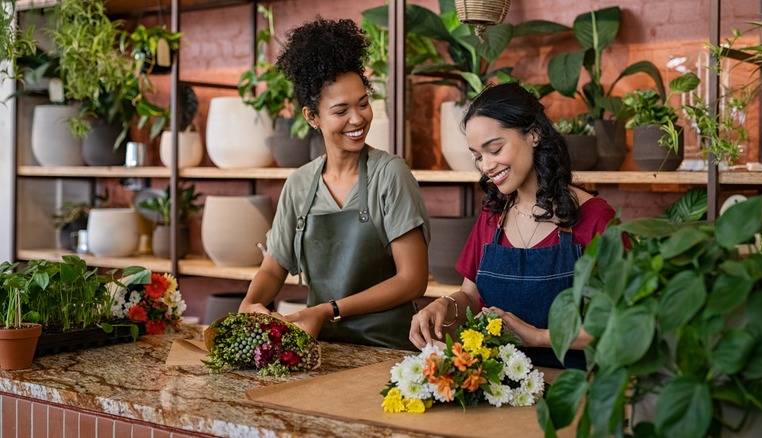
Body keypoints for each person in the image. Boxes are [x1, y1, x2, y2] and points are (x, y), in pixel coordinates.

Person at [239, 17, 430, 351]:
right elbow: (273, 269)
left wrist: (328, 310)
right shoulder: (299, 185)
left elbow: (412, 280)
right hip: (323, 349)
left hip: (387, 350)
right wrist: (249, 305)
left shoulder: (390, 174)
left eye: (363, 103)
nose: (357, 119)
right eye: (341, 110)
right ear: (312, 117)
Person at [409, 82, 617, 368]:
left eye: (495, 149)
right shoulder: (494, 217)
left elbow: (621, 324)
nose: (486, 166)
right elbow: (470, 295)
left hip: (571, 388)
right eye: (478, 156)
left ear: (533, 134)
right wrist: (445, 305)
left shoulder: (595, 219)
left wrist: (538, 336)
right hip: (495, 385)